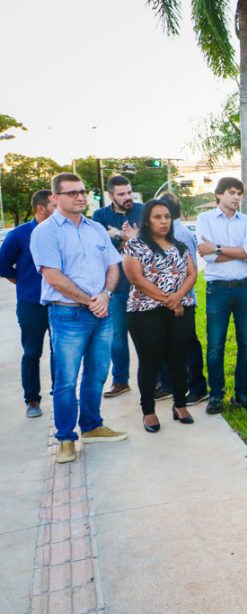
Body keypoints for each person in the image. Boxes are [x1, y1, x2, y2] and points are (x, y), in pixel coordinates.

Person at [30, 173, 128, 464]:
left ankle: (92, 425)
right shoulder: (46, 232)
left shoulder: (96, 228)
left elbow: (113, 265)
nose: (80, 197)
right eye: (72, 193)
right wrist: (90, 300)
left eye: (83, 191)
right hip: (68, 314)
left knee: (97, 373)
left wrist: (106, 296)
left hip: (102, 312)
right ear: (55, 198)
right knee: (66, 379)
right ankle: (65, 438)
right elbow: (52, 275)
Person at [123, 200, 197, 432]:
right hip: (145, 312)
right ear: (147, 220)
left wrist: (178, 298)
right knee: (150, 361)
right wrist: (170, 300)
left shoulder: (180, 245)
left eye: (166, 217)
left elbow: (192, 273)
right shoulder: (134, 246)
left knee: (178, 357)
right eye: (157, 217)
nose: (164, 221)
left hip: (181, 310)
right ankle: (148, 411)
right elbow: (137, 279)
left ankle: (180, 404)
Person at [196, 178, 247, 413]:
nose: (236, 197)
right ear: (219, 195)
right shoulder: (205, 219)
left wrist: (219, 248)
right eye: (231, 192)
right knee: (215, 345)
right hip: (218, 289)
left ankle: (242, 393)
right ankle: (216, 395)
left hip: (245, 288)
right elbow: (208, 256)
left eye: (239, 193)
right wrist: (238, 253)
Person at [0, 190, 56, 417]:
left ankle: (59, 394)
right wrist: (25, 284)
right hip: (31, 306)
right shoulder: (19, 235)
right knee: (32, 352)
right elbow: (3, 267)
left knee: (59, 352)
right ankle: (32, 400)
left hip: (58, 304)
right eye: (53, 205)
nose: (58, 209)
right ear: (41, 209)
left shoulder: (58, 233)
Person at [153, 193, 208, 405]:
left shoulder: (180, 234)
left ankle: (197, 387)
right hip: (166, 300)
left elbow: (188, 271)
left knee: (188, 345)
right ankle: (167, 385)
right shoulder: (167, 232)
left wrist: (176, 300)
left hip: (181, 301)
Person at [92, 174, 143, 398]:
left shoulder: (142, 210)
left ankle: (159, 379)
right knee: (118, 338)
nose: (127, 197)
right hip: (117, 286)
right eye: (121, 194)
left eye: (129, 192)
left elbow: (150, 243)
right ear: (111, 196)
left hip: (144, 285)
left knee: (147, 335)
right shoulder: (100, 215)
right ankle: (120, 381)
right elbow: (101, 248)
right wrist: (127, 239)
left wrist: (120, 236)